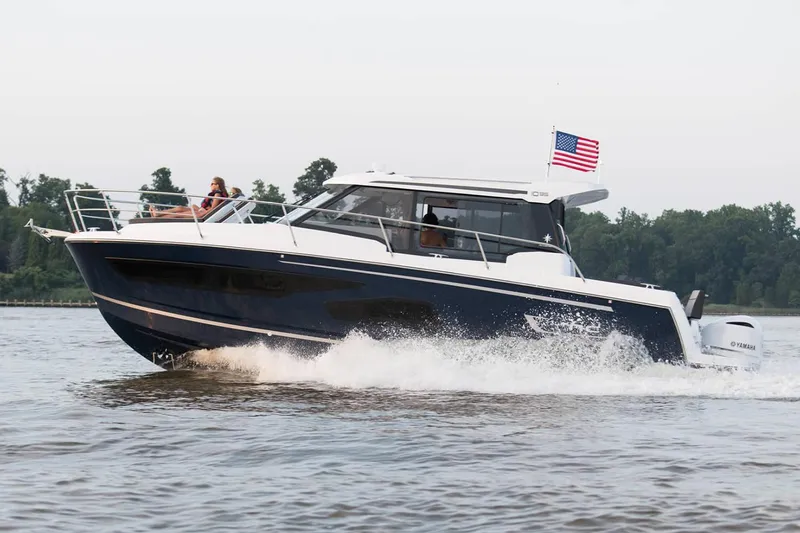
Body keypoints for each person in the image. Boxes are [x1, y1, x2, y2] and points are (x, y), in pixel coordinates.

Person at [150, 176, 229, 218]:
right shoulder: (218, 194)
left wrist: (201, 212)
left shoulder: (217, 195)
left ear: (217, 185)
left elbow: (212, 209)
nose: (210, 185)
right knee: (180, 208)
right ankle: (158, 213)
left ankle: (160, 218)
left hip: (203, 213)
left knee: (179, 214)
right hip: (202, 210)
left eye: (212, 184)